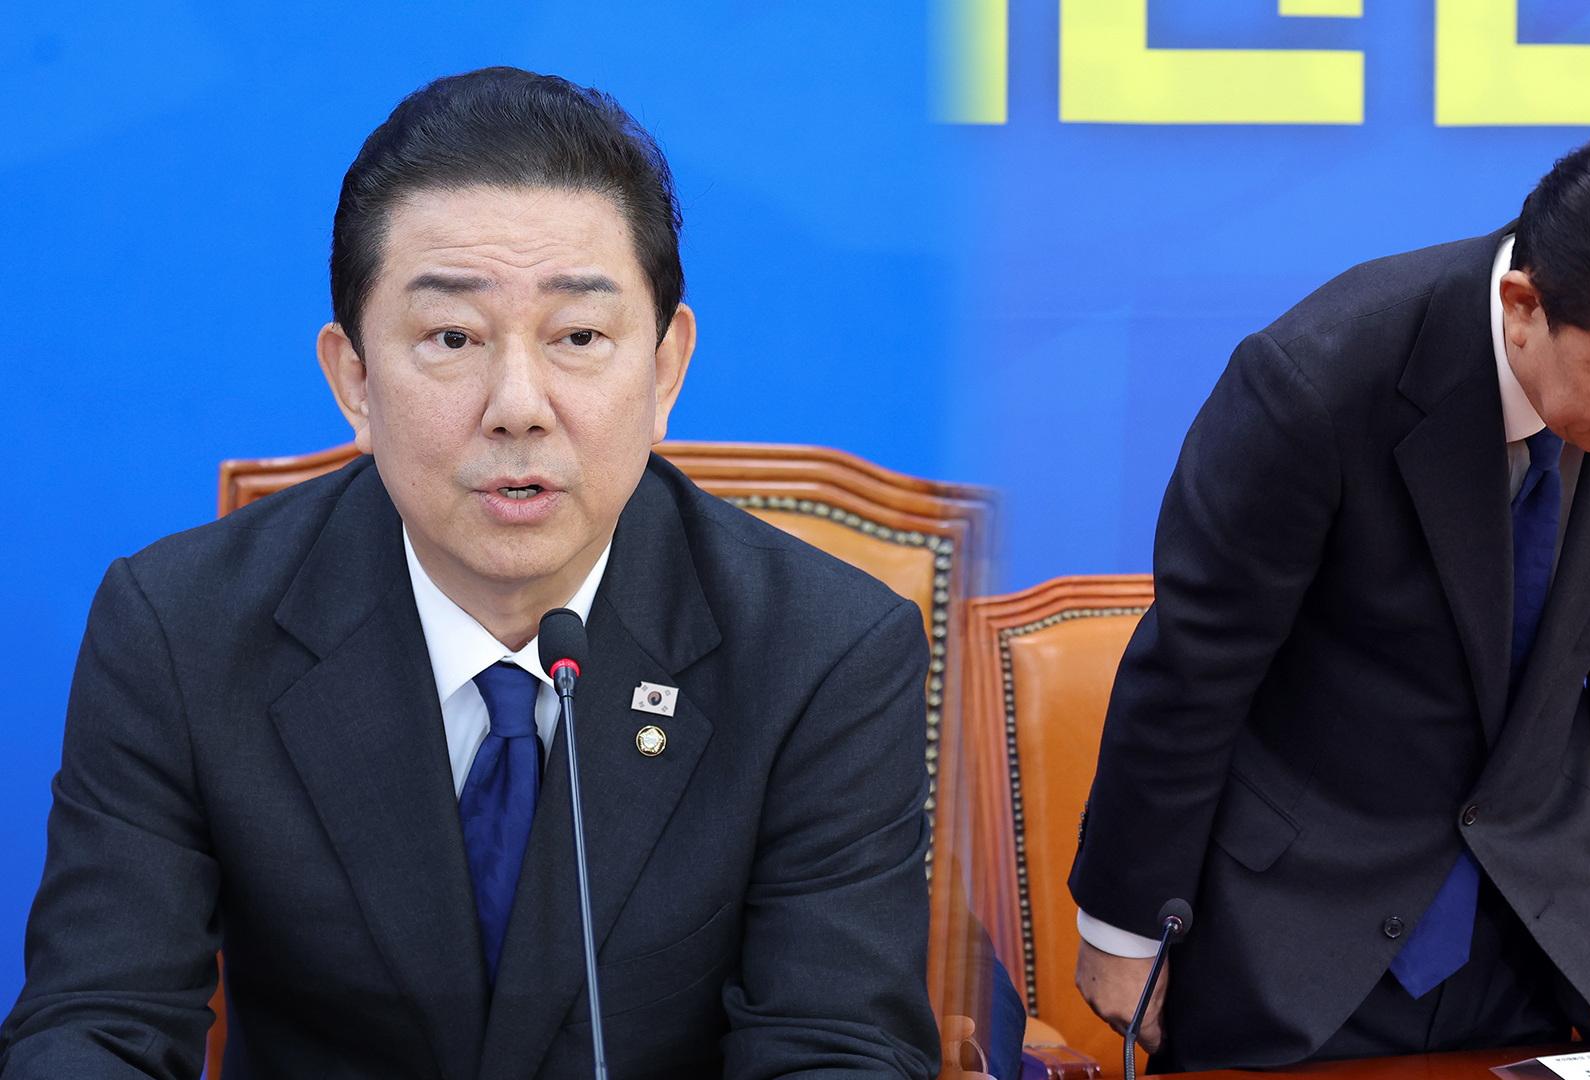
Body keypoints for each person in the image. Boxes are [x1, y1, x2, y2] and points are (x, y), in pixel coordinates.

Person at [1, 68, 940, 1079]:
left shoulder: (822, 653)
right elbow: (96, 1023)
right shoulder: (180, 629)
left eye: (578, 337)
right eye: (452, 337)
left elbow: (836, 1044)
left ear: (665, 368)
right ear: (355, 378)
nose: (518, 406)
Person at [1069, 116, 1590, 1067]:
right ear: (1525, 306)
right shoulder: (1318, 378)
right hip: (1293, 933)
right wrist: (1126, 927)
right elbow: (1195, 668)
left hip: (1532, 932)